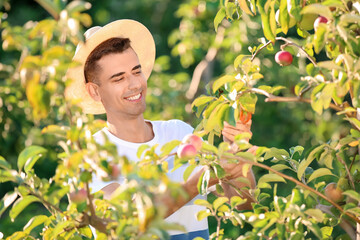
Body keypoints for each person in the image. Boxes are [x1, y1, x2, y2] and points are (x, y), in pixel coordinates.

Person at [66, 19, 256, 240]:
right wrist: (206, 176)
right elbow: (128, 222)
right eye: (119, 78)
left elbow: (243, 202)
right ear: (95, 92)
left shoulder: (179, 133)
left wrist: (237, 152)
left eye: (136, 72)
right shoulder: (90, 156)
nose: (135, 84)